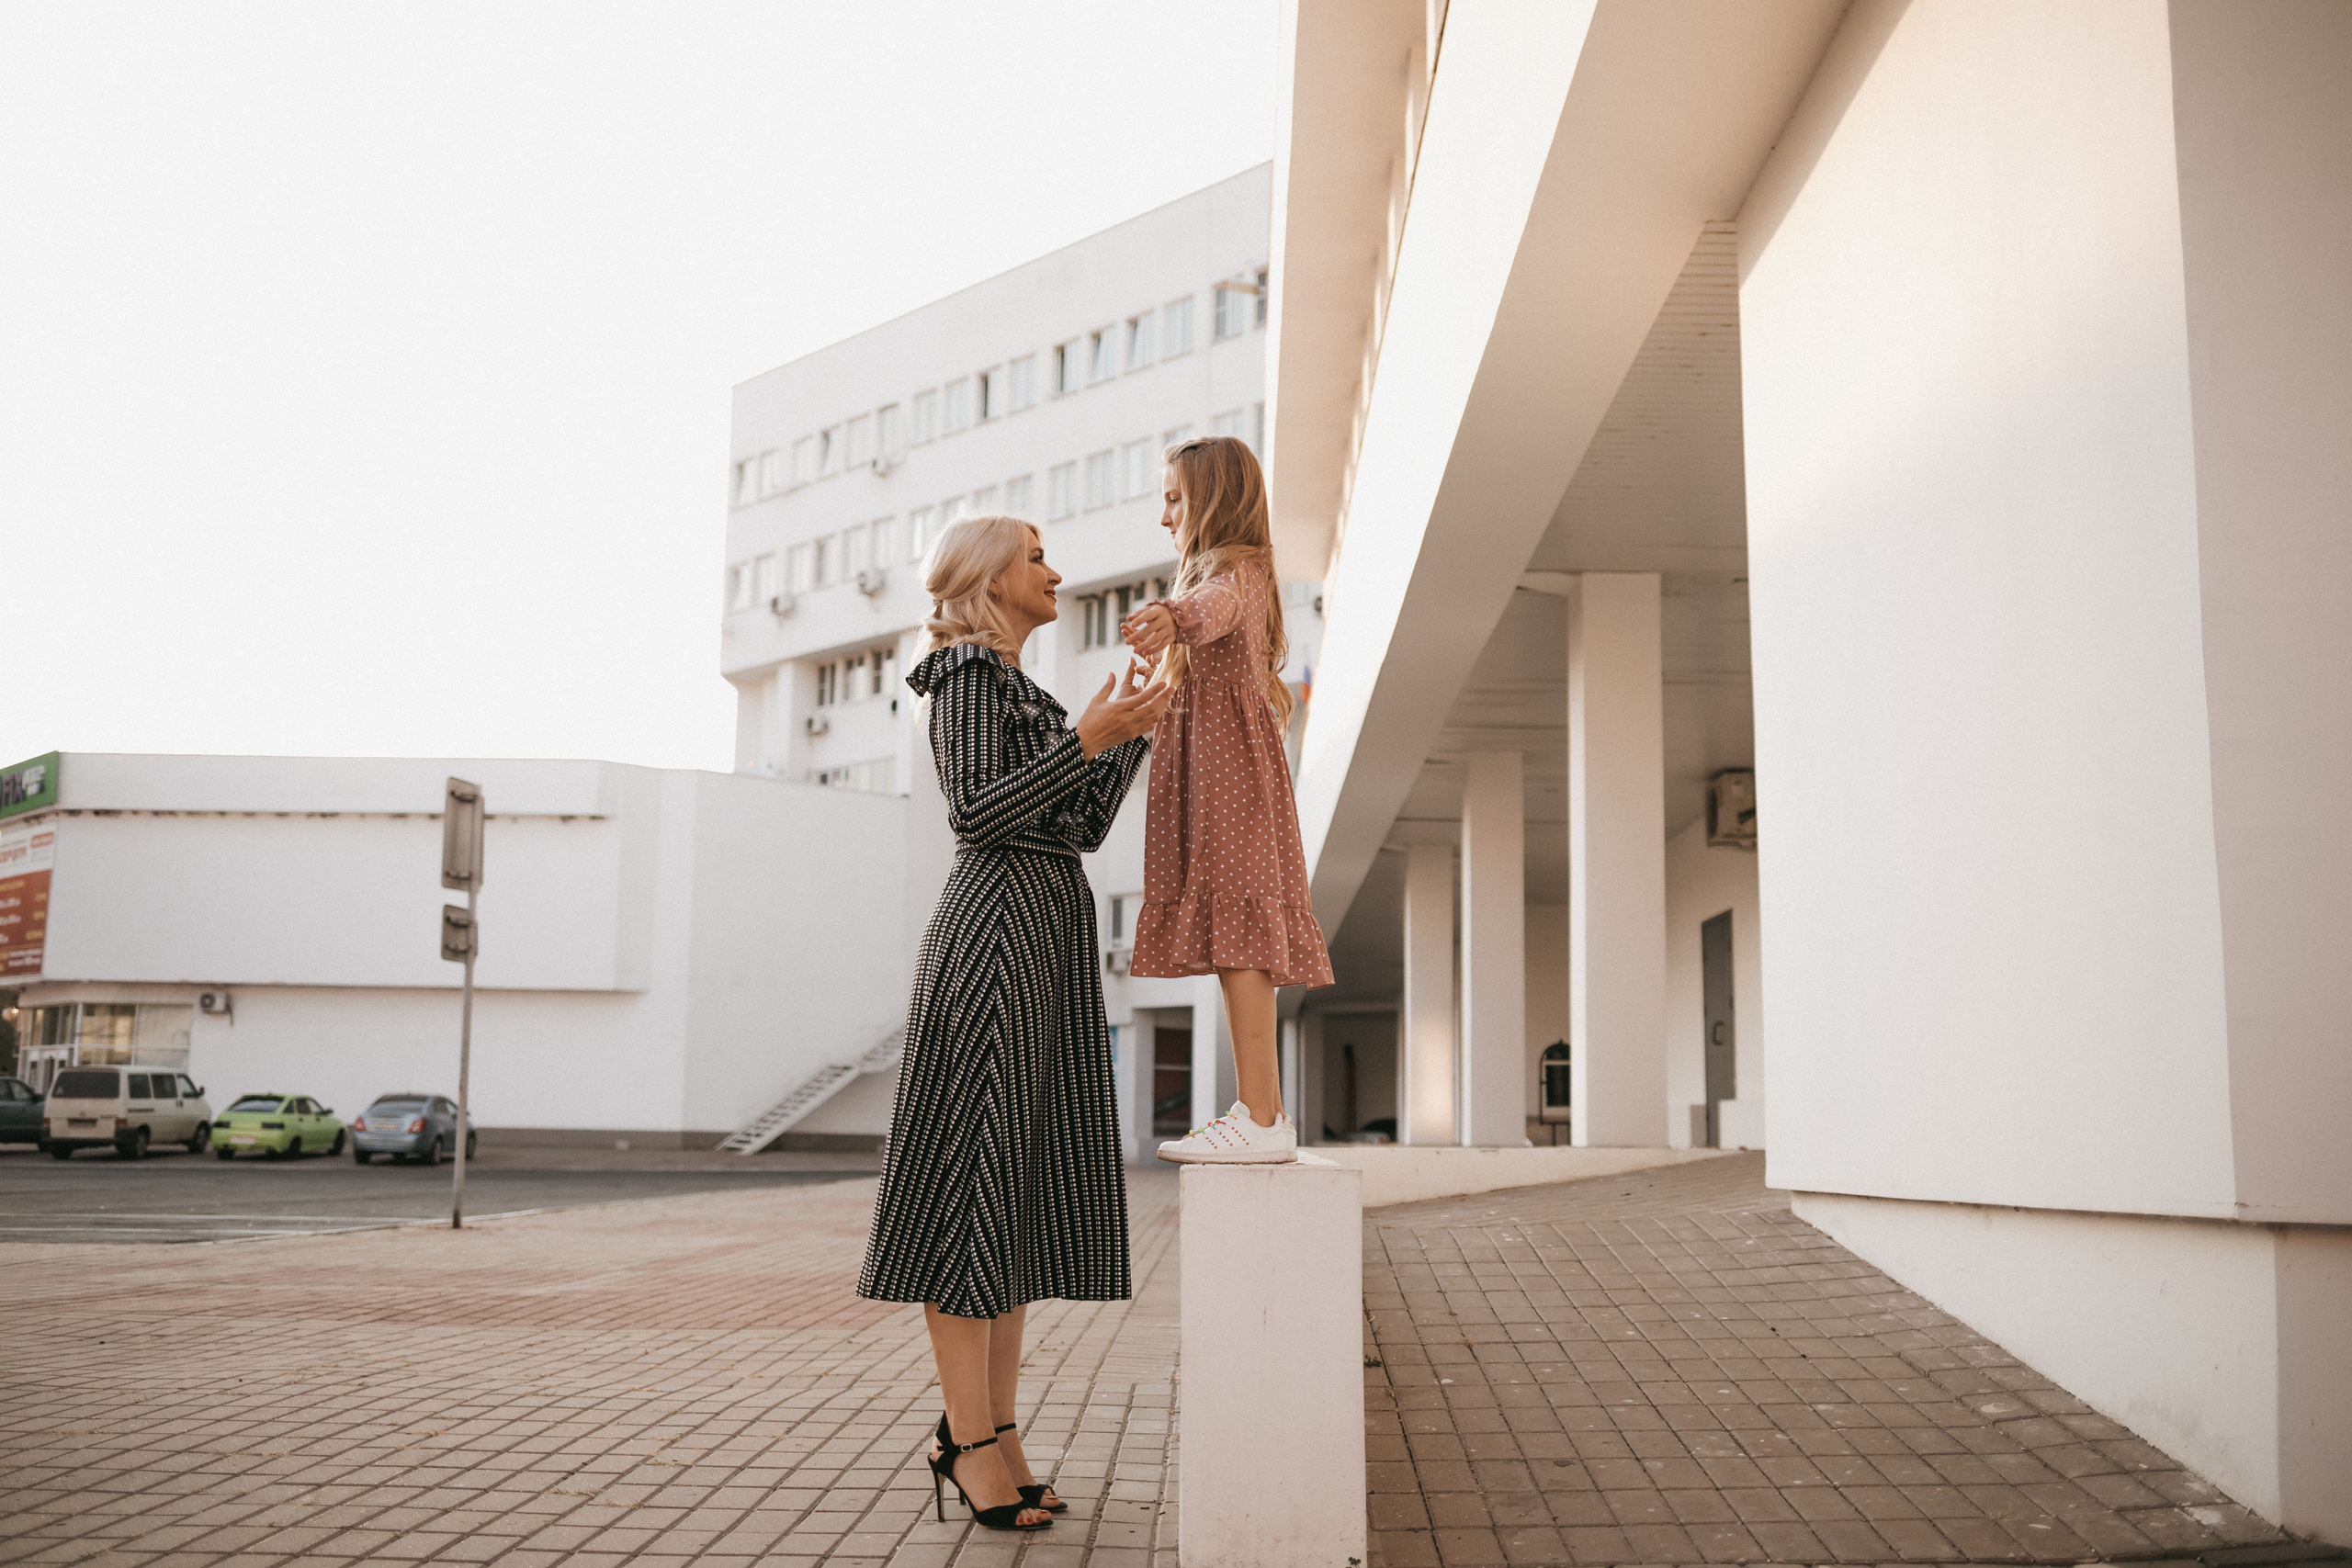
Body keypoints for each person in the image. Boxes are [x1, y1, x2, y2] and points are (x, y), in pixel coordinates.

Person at [856, 513, 1171, 1533]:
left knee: (1016, 1195)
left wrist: (1127, 740)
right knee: (970, 1197)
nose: (1057, 571)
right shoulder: (960, 675)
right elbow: (979, 814)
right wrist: (1090, 735)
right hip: (992, 942)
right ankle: (972, 1441)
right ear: (990, 575)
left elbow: (1073, 826)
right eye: (1038, 557)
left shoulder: (1021, 689)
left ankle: (990, 1432)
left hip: (1040, 935)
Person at [1120, 434, 1334, 1166]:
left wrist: (1171, 617)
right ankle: (1257, 1108)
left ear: (1211, 500)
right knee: (1231, 939)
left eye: (1174, 499)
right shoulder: (1234, 576)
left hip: (1230, 781)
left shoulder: (1236, 573)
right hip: (1221, 776)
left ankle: (1264, 1116)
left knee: (1240, 936)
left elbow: (1208, 608)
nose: (1165, 517)